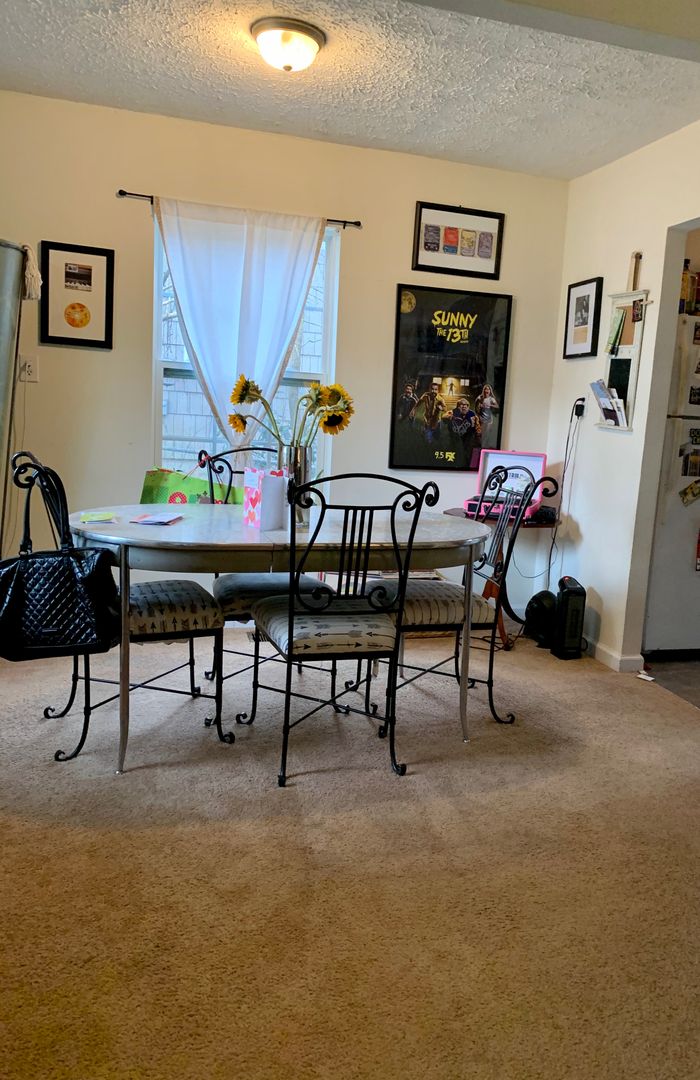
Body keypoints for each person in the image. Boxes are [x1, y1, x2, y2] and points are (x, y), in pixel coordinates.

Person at [443, 397, 480, 465]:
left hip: (467, 442)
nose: (464, 407)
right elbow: (444, 417)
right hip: (455, 441)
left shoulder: (472, 414)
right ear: (458, 407)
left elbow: (478, 429)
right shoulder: (453, 412)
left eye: (466, 405)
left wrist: (477, 435)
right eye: (462, 405)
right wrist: (450, 417)